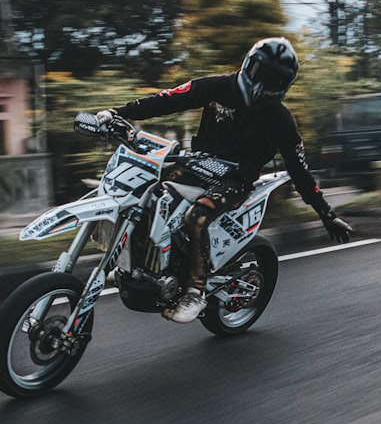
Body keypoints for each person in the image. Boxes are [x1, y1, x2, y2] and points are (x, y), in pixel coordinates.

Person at [82, 37, 352, 323]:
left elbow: (299, 169)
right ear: (249, 65)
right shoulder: (217, 87)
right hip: (195, 164)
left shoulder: (280, 119)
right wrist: (118, 113)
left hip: (235, 179)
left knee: (196, 218)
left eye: (274, 79)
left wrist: (327, 214)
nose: (264, 84)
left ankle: (195, 292)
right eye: (262, 74)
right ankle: (135, 261)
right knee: (139, 190)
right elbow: (168, 99)